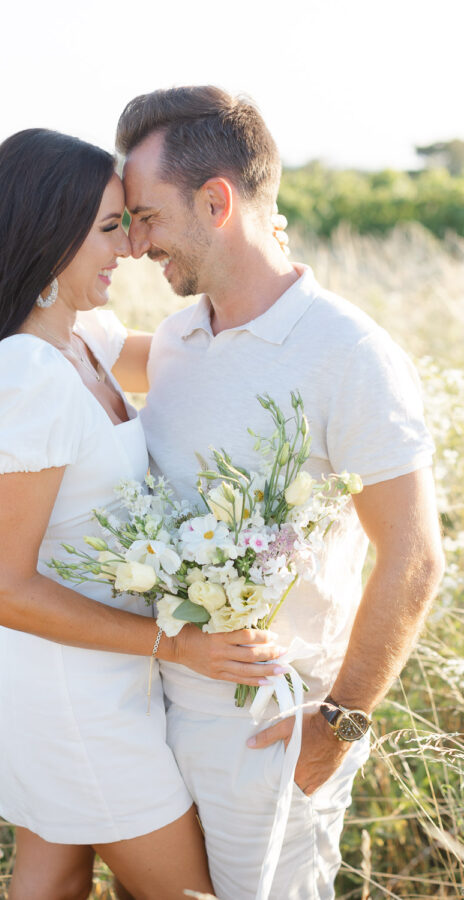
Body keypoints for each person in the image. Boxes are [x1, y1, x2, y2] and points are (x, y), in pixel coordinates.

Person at [0, 128, 286, 900]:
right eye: (111, 228)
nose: (131, 247)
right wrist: (174, 646)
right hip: (74, 699)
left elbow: (203, 353)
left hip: (98, 680)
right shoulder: (26, 370)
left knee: (52, 882)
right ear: (48, 236)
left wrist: (266, 268)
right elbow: (0, 590)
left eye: (131, 223)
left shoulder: (82, 340)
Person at [114, 86, 445, 899]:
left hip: (269, 736)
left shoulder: (350, 352)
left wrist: (339, 724)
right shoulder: (179, 339)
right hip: (149, 713)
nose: (135, 244)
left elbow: (413, 557)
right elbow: (76, 356)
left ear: (216, 201)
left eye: (148, 218)